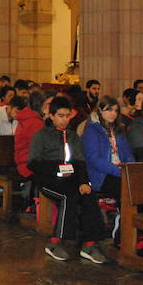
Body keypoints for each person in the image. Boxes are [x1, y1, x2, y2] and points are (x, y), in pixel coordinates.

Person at [28, 97, 108, 264]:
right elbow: (33, 163)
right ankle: (56, 241)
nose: (64, 119)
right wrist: (55, 169)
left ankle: (90, 242)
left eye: (67, 115)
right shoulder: (41, 136)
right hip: (48, 181)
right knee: (68, 196)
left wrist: (84, 182)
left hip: (70, 179)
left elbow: (79, 162)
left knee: (87, 195)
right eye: (60, 115)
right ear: (51, 115)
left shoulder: (72, 137)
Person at [82, 96, 135, 202]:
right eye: (109, 110)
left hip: (121, 171)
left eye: (116, 110)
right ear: (100, 110)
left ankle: (132, 216)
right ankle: (124, 216)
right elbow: (93, 159)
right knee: (126, 188)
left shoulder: (118, 129)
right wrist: (117, 171)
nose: (113, 113)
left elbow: (127, 153)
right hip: (101, 174)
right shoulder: (92, 130)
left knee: (141, 185)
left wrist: (131, 168)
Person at [14, 91, 47, 180]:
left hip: (23, 160)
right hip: (28, 164)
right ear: (42, 106)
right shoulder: (35, 122)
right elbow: (43, 146)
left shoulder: (27, 118)